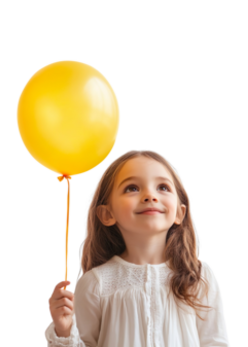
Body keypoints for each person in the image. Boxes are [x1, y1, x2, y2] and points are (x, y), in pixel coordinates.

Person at [45, 148, 230, 346]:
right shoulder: (96, 284)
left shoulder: (199, 276)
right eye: (132, 188)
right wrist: (64, 330)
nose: (150, 195)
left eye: (163, 187)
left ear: (179, 212)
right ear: (107, 214)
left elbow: (215, 343)